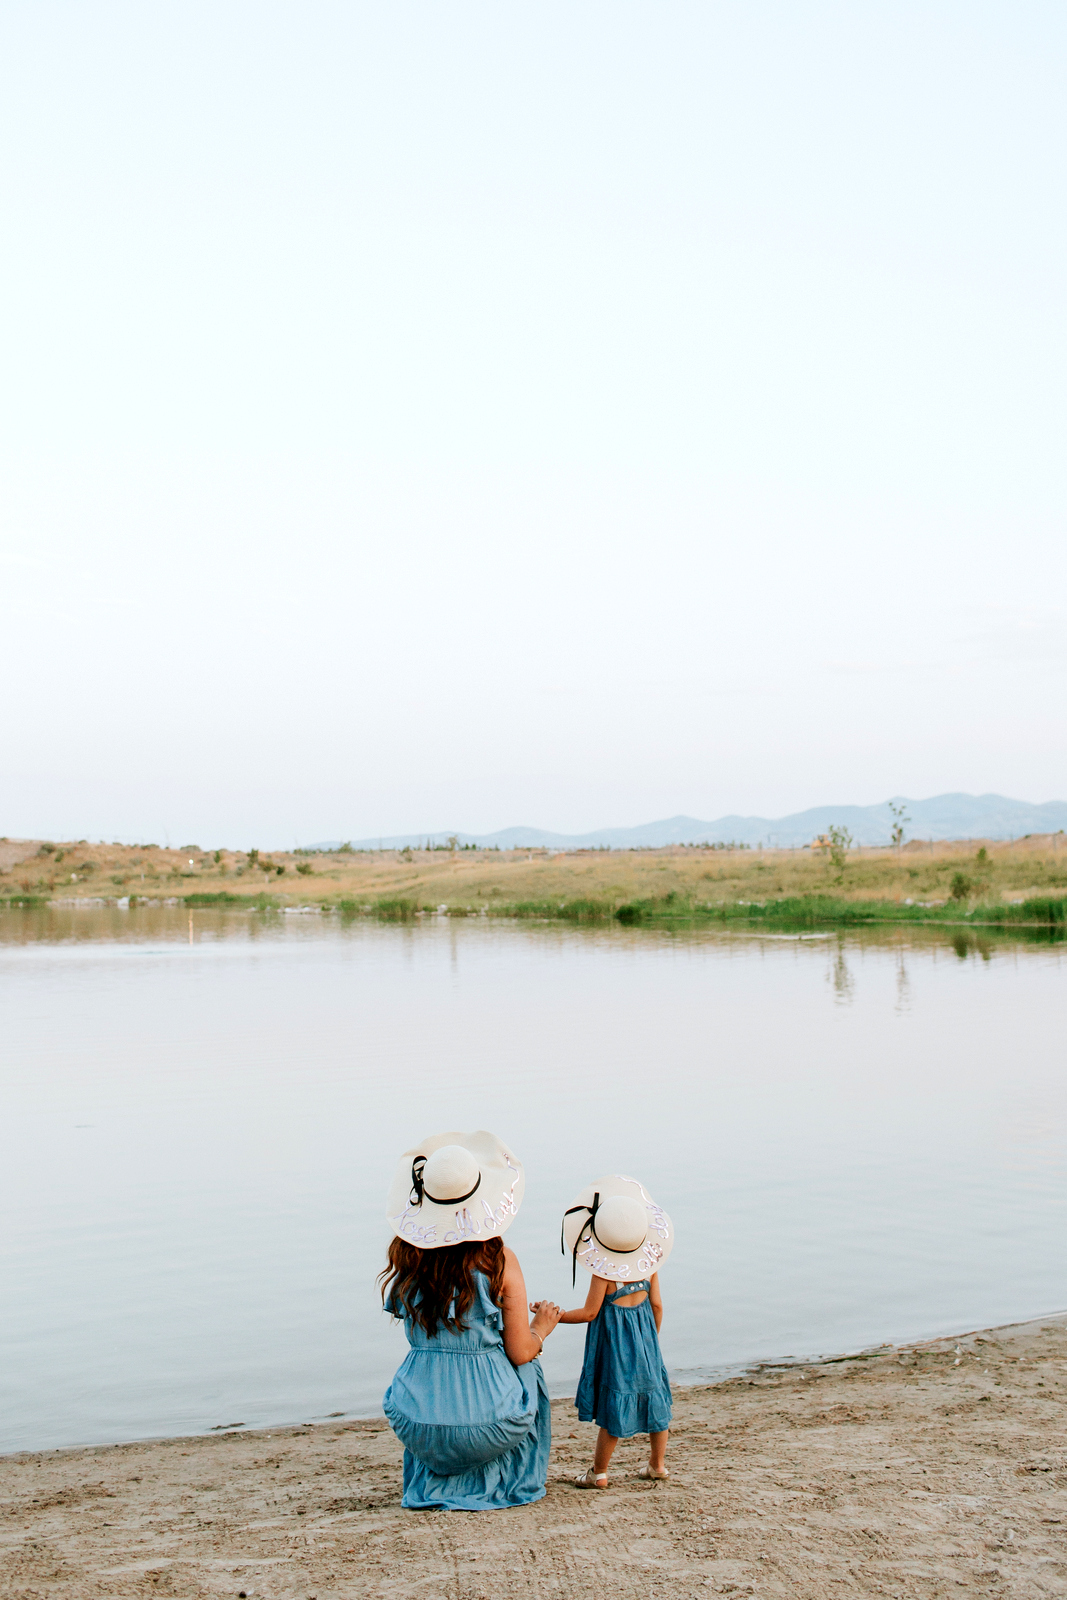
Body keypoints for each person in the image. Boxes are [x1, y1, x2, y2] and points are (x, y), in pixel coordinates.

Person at [381, 1130, 561, 1510]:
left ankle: (441, 1476)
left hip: (416, 1420)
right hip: (489, 1425)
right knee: (531, 1368)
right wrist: (541, 1328)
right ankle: (505, 1477)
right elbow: (519, 1352)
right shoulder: (500, 1262)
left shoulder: (409, 1264)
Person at [540, 1173, 674, 1489]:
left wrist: (555, 1317)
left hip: (616, 1351)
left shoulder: (605, 1274)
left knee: (614, 1410)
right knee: (656, 1401)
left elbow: (589, 1313)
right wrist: (651, 1339)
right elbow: (657, 1306)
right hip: (646, 1346)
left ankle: (599, 1473)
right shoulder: (649, 1267)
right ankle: (657, 1465)